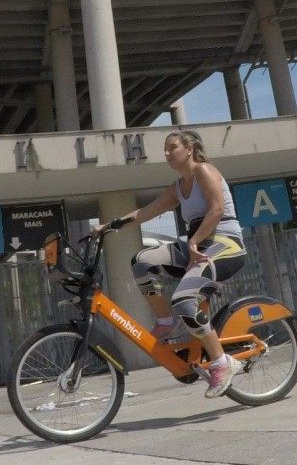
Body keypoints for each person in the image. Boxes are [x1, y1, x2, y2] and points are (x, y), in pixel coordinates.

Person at [98, 129, 247, 398]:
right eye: (165, 150)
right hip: (198, 246)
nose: (167, 153)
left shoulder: (205, 170)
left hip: (225, 242)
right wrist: (111, 225)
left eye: (172, 147)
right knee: (142, 261)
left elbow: (216, 210)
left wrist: (194, 241)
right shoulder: (178, 187)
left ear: (189, 149)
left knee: (184, 299)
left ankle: (223, 363)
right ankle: (167, 321)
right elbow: (146, 212)